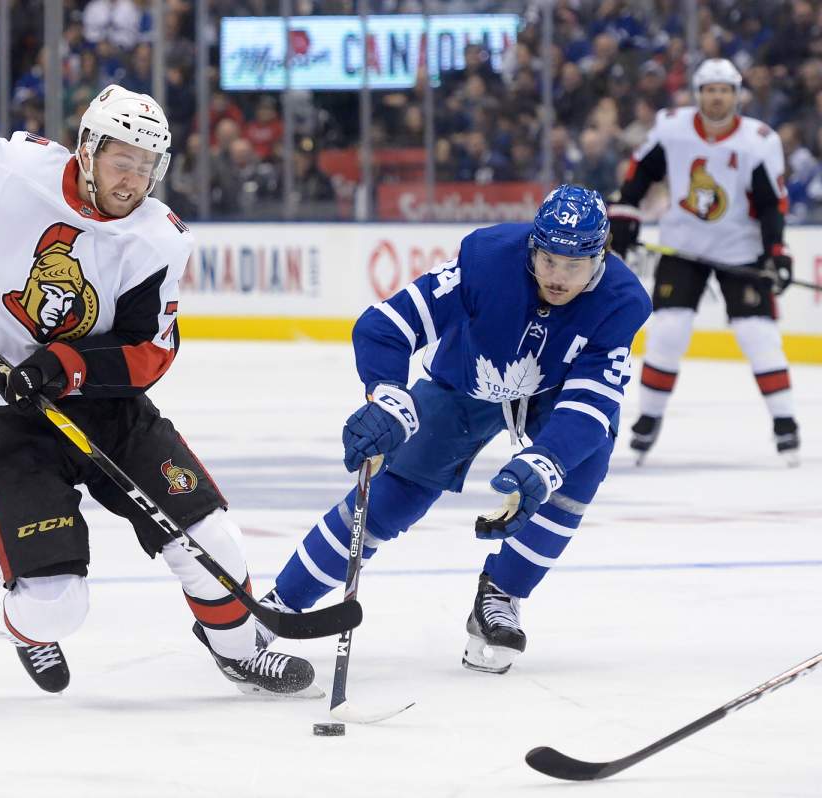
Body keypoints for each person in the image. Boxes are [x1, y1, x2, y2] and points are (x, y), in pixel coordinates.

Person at [0, 84, 319, 697]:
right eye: (122, 161)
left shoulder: (160, 238)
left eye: (147, 167)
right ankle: (30, 630)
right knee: (56, 604)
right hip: (1, 411)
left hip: (103, 404)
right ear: (88, 150)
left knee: (210, 538)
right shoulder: (20, 172)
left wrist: (62, 365)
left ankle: (240, 650)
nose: (133, 181)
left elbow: (150, 349)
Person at [256, 186, 651, 675]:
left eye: (573, 266)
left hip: (552, 394)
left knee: (583, 460)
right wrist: (389, 395)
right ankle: (276, 605)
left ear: (601, 257)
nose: (557, 277)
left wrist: (545, 462)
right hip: (468, 381)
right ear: (532, 245)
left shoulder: (622, 300)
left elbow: (591, 403)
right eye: (547, 260)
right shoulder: (488, 260)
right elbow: (386, 324)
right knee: (395, 495)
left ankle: (501, 594)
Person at [608, 58, 801, 466]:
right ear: (699, 94)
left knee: (757, 334)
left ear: (736, 94)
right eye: (710, 89)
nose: (717, 97)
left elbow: (771, 203)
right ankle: (649, 418)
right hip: (684, 248)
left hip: (740, 251)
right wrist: (625, 213)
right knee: (669, 330)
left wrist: (776, 252)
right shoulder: (672, 126)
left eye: (724, 90)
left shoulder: (758, 139)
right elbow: (641, 174)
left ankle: (785, 423)